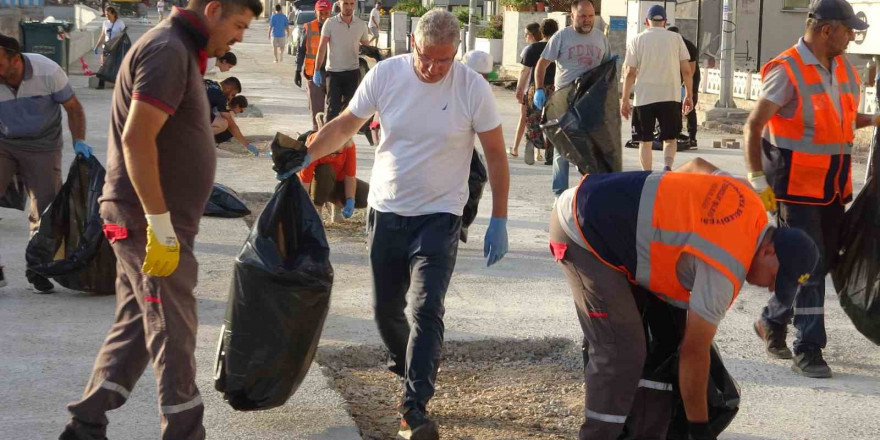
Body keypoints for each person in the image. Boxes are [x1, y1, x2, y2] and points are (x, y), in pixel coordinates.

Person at [298, 10, 509, 439]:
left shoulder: (472, 88)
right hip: (387, 211)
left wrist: (499, 219)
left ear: (457, 55)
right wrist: (306, 155)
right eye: (426, 57)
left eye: (444, 60)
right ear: (412, 43)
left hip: (440, 215)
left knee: (427, 308)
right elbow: (345, 126)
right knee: (384, 311)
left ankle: (414, 408)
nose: (433, 68)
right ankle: (411, 362)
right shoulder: (387, 75)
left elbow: (498, 157)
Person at [59, 1, 261, 439]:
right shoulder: (169, 50)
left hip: (150, 220)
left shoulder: (179, 49)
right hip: (145, 221)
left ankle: (85, 423)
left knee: (136, 325)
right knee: (174, 327)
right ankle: (185, 432)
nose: (240, 37)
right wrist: (159, 224)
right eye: (238, 25)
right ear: (212, 9)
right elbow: (136, 138)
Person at [550, 157, 820, 440]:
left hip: (602, 202)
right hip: (580, 230)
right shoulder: (726, 268)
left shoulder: (748, 199)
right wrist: (699, 429)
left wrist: (665, 215)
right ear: (768, 252)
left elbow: (696, 164)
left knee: (661, 336)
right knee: (622, 350)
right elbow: (694, 353)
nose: (768, 289)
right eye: (776, 279)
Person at [744, 0, 880, 379]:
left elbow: (843, 118)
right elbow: (753, 126)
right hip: (794, 188)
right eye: (848, 30)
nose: (852, 37)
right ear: (826, 30)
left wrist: (873, 119)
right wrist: (758, 181)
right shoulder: (786, 69)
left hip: (833, 187)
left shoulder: (844, 70)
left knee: (813, 263)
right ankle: (809, 346)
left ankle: (771, 319)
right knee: (813, 266)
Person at [0, 34, 91, 294]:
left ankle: (37, 266)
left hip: (43, 145)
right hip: (3, 141)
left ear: (15, 59)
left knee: (46, 208)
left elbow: (73, 107)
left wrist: (79, 142)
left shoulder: (47, 70)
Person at [533, 0, 608, 197]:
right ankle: (560, 194)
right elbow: (542, 64)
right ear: (572, 16)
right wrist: (539, 89)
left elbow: (607, 69)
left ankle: (588, 192)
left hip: (590, 102)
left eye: (591, 16)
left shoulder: (601, 38)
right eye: (583, 16)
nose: (587, 20)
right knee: (562, 149)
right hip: (565, 100)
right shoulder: (561, 37)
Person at [620, 5, 692, 172]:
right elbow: (687, 71)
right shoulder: (676, 39)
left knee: (645, 140)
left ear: (647, 22)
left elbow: (630, 72)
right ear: (665, 22)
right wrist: (688, 94)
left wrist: (624, 99)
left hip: (644, 97)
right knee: (670, 137)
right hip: (670, 96)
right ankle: (667, 166)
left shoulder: (637, 40)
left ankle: (647, 174)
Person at [299, 114, 368, 222]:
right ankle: (317, 211)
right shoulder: (315, 144)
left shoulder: (349, 145)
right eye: (332, 150)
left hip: (337, 181)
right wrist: (304, 207)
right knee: (326, 170)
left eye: (338, 151)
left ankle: (337, 206)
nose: (334, 155)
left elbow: (350, 176)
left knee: (366, 194)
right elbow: (304, 181)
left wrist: (350, 199)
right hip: (316, 183)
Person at [313, 0, 370, 122]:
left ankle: (345, 139)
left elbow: (367, 48)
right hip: (334, 73)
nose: (349, 7)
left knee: (349, 110)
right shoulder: (330, 23)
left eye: (351, 4)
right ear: (339, 4)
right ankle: (328, 139)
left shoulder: (361, 25)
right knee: (333, 109)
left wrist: (376, 55)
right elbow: (322, 48)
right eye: (346, 4)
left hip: (352, 72)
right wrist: (316, 70)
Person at [516, 19, 559, 165]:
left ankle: (533, 141)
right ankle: (550, 155)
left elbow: (525, 71)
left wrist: (520, 89)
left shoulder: (533, 48)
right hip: (555, 88)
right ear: (556, 31)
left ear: (541, 31)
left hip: (537, 88)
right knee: (553, 121)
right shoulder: (559, 47)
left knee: (532, 118)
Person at [295, 0, 333, 131]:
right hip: (314, 75)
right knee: (316, 110)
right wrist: (297, 69)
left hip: (333, 73)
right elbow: (300, 50)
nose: (323, 16)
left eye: (326, 13)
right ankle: (317, 134)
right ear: (315, 12)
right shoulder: (309, 27)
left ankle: (330, 138)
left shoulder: (337, 27)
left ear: (331, 12)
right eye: (320, 13)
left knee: (333, 110)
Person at [511, 22, 541, 161]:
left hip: (529, 88)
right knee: (540, 118)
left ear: (532, 35)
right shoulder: (547, 47)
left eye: (526, 34)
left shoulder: (529, 49)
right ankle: (538, 152)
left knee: (524, 118)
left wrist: (519, 88)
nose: (525, 37)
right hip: (543, 87)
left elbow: (524, 71)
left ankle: (516, 148)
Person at [669, 26, 700, 148]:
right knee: (674, 106)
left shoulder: (688, 46)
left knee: (689, 107)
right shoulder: (668, 45)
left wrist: (685, 88)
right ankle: (676, 133)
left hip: (691, 77)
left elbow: (690, 71)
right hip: (675, 76)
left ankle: (692, 137)